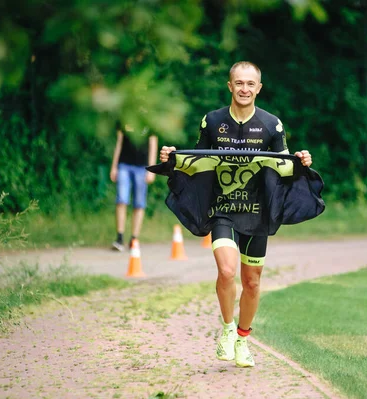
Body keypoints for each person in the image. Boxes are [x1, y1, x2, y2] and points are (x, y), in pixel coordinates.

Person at [159, 61, 312, 367]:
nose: (244, 89)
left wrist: (299, 160)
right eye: (238, 83)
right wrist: (173, 159)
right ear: (230, 86)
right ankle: (228, 329)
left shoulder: (271, 125)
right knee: (227, 271)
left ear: (259, 88)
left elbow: (281, 165)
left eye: (250, 84)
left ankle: (243, 339)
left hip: (257, 210)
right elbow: (199, 161)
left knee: (252, 282)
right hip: (223, 209)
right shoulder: (213, 121)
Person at [110, 121, 158, 251]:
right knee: (121, 200)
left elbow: (153, 145)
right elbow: (119, 144)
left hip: (142, 167)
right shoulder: (126, 117)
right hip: (124, 165)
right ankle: (119, 238)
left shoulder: (150, 121)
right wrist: (114, 167)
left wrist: (152, 169)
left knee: (139, 203)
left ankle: (134, 239)